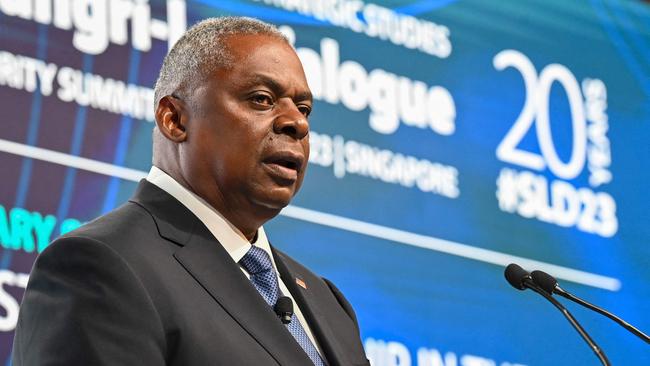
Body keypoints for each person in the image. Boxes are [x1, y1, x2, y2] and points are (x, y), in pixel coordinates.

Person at [12, 17, 369, 366]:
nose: (298, 123)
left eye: (304, 108)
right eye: (261, 99)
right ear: (175, 120)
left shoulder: (327, 302)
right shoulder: (98, 267)